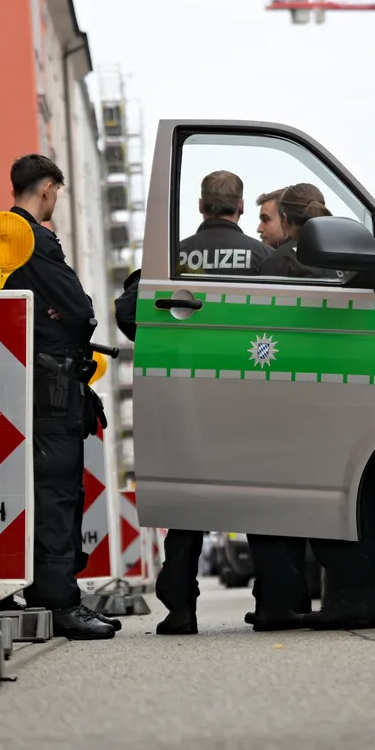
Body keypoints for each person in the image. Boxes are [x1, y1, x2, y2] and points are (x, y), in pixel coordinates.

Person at [151, 170, 284, 635]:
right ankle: (271, 606)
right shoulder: (265, 257)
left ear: (201, 206)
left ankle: (181, 611)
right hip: (250, 397)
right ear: (241, 208)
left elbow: (131, 311)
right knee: (258, 500)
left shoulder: (174, 256)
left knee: (188, 504)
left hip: (190, 395)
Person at [255, 183, 375, 630]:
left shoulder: (275, 265)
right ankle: (359, 594)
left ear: (289, 221)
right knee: (353, 494)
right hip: (350, 392)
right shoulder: (348, 258)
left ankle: (301, 602)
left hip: (290, 398)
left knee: (292, 498)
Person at [4, 154, 119, 640]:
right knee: (56, 490)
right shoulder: (34, 239)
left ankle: (29, 587)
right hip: (51, 389)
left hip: (15, 381)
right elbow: (81, 311)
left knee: (24, 488)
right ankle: (59, 600)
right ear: (49, 188)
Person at [258, 184, 340, 279]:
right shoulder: (346, 255)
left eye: (266, 219)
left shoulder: (278, 261)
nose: (259, 228)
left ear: (284, 219)